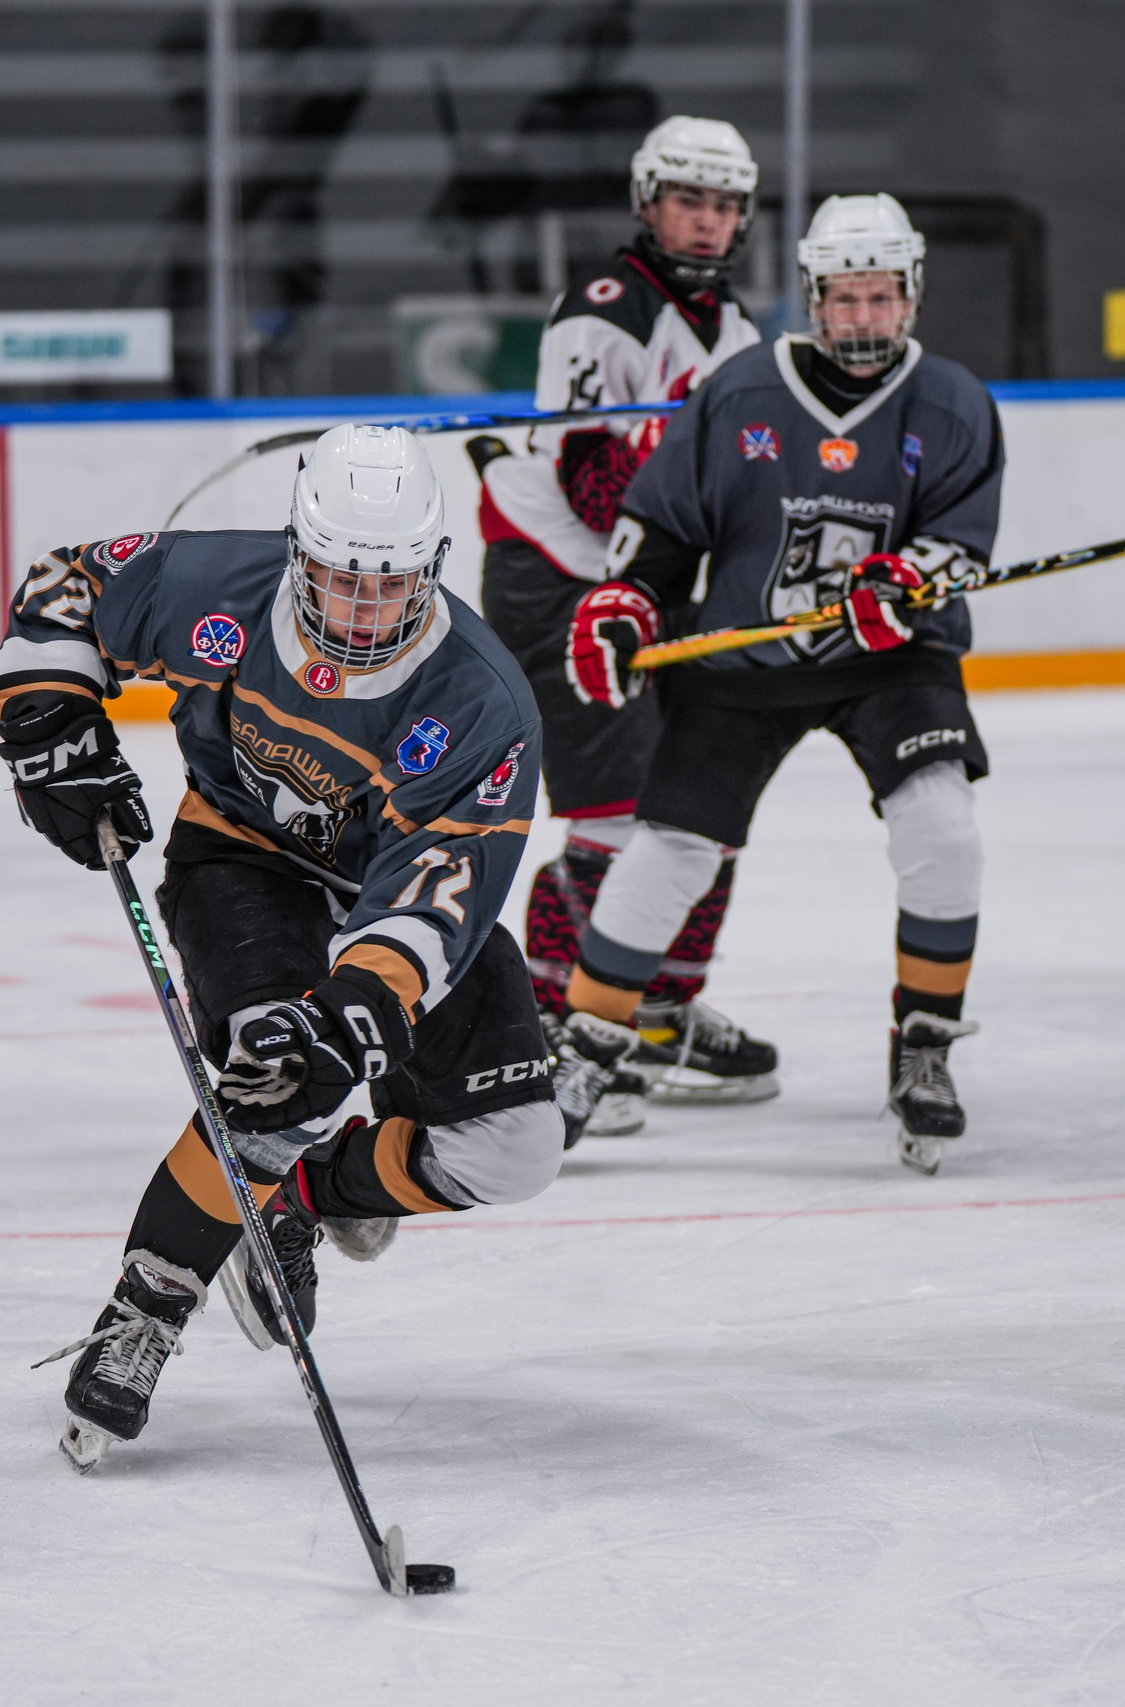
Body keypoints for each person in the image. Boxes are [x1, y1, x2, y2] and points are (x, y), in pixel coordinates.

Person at [9, 425, 563, 1470]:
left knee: (515, 1147)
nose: (361, 612)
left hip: (388, 904)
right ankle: (145, 1311)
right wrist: (50, 720)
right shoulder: (222, 587)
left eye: (390, 586)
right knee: (275, 1070)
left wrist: (356, 1013)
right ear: (298, 550)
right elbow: (65, 585)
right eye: (338, 580)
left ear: (434, 565)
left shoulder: (480, 701)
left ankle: (291, 1197)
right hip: (242, 863)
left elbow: (438, 898)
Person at [554, 193, 1005, 1175]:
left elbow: (959, 543)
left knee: (941, 827)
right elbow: (663, 527)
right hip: (746, 650)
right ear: (811, 296)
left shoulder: (955, 402)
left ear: (912, 294)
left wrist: (913, 578)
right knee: (669, 847)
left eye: (881, 297)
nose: (862, 320)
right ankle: (586, 1049)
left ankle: (923, 1046)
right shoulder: (740, 391)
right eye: (843, 299)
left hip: (893, 657)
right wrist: (627, 602)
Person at [476, 116, 777, 1135]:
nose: (707, 220)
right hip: (557, 578)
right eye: (688, 199)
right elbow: (596, 489)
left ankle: (649, 1014)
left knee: (691, 811)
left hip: (646, 583)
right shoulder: (599, 310)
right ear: (649, 203)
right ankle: (553, 1038)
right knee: (609, 819)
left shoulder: (737, 336)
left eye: (724, 204)